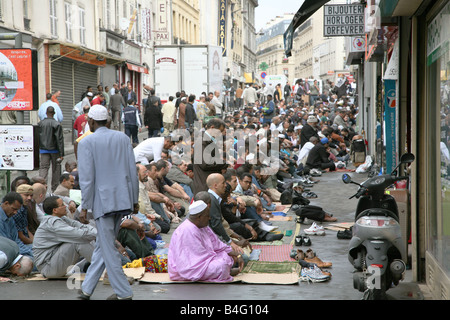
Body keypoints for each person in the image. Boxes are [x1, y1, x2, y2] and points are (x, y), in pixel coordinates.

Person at [77, 104, 139, 300]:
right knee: (104, 246)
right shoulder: (122, 138)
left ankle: (123, 293)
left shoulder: (87, 142)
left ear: (91, 122)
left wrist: (84, 206)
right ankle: (86, 289)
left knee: (107, 247)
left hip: (102, 202)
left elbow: (87, 178)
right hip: (123, 199)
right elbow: (132, 171)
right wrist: (134, 198)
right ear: (109, 121)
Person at [168, 200, 244, 282]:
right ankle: (226, 271)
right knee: (222, 266)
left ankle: (225, 271)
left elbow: (217, 244)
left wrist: (237, 255)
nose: (209, 218)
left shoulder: (203, 226)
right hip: (189, 268)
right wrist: (218, 260)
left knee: (227, 257)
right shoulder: (187, 230)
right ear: (199, 217)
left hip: (205, 260)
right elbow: (194, 260)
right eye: (207, 216)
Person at [32, 196, 96, 278]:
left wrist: (97, 233)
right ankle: (104, 267)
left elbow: (81, 226)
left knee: (84, 238)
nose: (65, 206)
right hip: (48, 268)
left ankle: (104, 266)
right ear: (55, 210)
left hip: (54, 263)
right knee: (78, 242)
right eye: (62, 205)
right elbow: (80, 235)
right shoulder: (53, 224)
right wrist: (100, 235)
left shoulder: (62, 218)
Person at [192, 118, 228, 194]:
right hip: (204, 187)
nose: (221, 134)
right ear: (212, 128)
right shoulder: (201, 142)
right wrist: (223, 163)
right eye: (220, 131)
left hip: (210, 186)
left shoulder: (209, 141)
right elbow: (205, 163)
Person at [38, 106, 65, 192]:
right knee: (56, 169)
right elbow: (59, 140)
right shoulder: (56, 124)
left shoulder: (40, 124)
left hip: (43, 149)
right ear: (53, 113)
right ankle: (55, 189)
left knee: (44, 168)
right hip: (55, 150)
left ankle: (41, 187)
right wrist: (61, 154)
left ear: (46, 113)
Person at [0, 192, 33, 258]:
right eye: (14, 209)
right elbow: (5, 246)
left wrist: (29, 252)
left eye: (17, 210)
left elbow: (16, 240)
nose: (15, 212)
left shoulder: (10, 217)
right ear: (6, 203)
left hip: (15, 249)